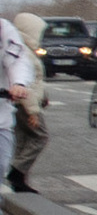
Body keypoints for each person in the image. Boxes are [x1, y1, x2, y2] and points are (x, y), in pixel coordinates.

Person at [3, 14, 42, 193]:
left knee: (1, 163)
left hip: (0, 119)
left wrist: (18, 84)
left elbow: (17, 60)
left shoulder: (3, 30)